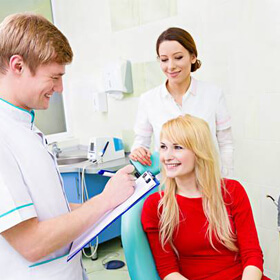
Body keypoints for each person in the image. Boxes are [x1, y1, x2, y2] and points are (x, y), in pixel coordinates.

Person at [0, 13, 135, 280]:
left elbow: (51, 212)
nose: (60, 88)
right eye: (54, 76)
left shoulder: (25, 128)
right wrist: (105, 201)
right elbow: (31, 242)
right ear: (17, 66)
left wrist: (110, 202)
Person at [141, 114, 270, 280]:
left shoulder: (232, 191)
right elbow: (168, 270)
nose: (167, 156)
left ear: (199, 152)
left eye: (178, 147)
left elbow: (252, 254)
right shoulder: (156, 205)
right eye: (163, 147)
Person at [130, 27, 233, 177]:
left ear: (192, 57)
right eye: (164, 59)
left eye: (178, 57)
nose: (170, 66)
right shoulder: (148, 100)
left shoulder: (213, 94)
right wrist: (138, 152)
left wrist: (226, 181)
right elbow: (140, 144)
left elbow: (226, 144)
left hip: (208, 183)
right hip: (168, 186)